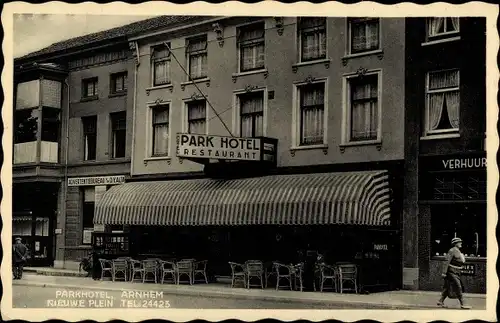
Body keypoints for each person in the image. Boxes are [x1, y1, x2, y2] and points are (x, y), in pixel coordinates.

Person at [437, 237, 471, 309]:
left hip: (456, 272)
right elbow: (446, 261)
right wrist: (444, 272)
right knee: (458, 286)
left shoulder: (458, 250)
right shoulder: (452, 250)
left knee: (447, 287)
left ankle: (440, 301)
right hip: (451, 272)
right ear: (455, 244)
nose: (461, 243)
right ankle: (463, 303)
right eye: (459, 242)